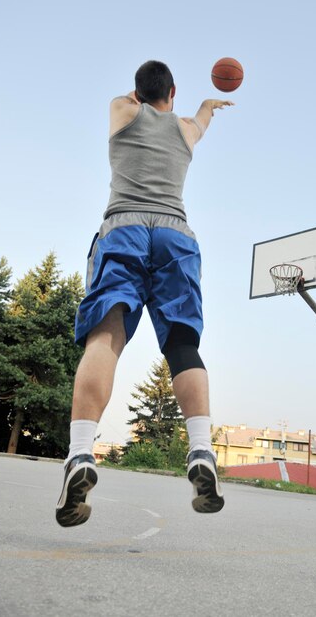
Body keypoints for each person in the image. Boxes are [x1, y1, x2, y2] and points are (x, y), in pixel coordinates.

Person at [56, 60, 234, 527]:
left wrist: (144, 95)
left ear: (137, 91)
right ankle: (201, 450)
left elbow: (134, 99)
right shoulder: (185, 130)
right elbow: (200, 122)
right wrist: (207, 105)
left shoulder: (122, 109)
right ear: (172, 93)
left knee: (105, 337)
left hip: (125, 227)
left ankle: (80, 455)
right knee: (182, 343)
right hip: (176, 234)